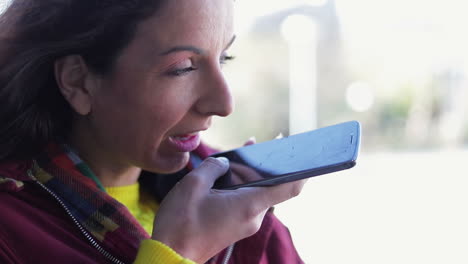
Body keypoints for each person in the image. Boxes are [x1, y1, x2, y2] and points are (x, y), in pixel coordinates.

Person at [0, 0, 305, 263]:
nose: (223, 104)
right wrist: (181, 252)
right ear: (78, 81)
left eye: (224, 58)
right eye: (183, 67)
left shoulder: (235, 207)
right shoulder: (10, 231)